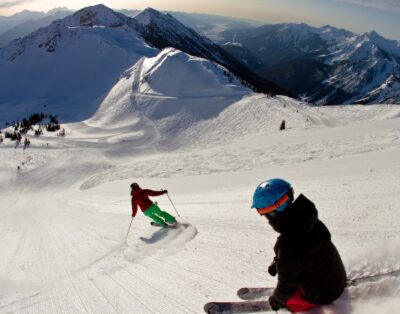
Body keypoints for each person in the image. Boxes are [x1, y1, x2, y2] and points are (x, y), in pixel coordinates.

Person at [252, 178, 346, 313]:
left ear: (272, 213)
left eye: (264, 212)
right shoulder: (309, 220)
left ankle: (297, 306)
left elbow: (287, 284)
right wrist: (278, 262)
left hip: (323, 295)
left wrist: (276, 301)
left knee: (290, 301)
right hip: (337, 277)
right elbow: (306, 254)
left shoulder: (288, 244)